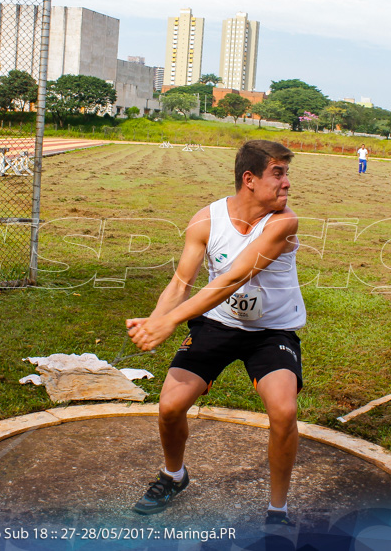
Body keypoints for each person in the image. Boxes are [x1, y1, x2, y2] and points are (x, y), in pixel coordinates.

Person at [126, 139, 306, 527]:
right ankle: (174, 475)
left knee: (284, 410)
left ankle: (277, 511)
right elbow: (180, 283)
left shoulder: (284, 223)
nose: (287, 183)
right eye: (279, 173)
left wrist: (170, 322)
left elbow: (232, 279)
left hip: (271, 331)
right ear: (250, 179)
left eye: (287, 174)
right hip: (217, 325)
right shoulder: (206, 220)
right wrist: (154, 320)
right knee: (170, 405)